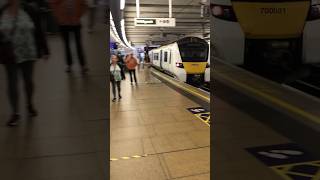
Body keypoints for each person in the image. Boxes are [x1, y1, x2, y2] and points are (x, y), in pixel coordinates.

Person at [0, 0, 47, 126]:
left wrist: (45, 49)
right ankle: (15, 113)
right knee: (12, 83)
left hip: (28, 52)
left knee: (28, 81)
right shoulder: (2, 11)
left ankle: (29, 103)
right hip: (9, 55)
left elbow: (39, 30)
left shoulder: (29, 10)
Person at [49, 0, 88, 73]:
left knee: (78, 44)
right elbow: (52, 3)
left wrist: (79, 15)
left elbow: (84, 4)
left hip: (76, 23)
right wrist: (58, 16)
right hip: (63, 24)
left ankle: (83, 65)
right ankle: (69, 64)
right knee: (66, 45)